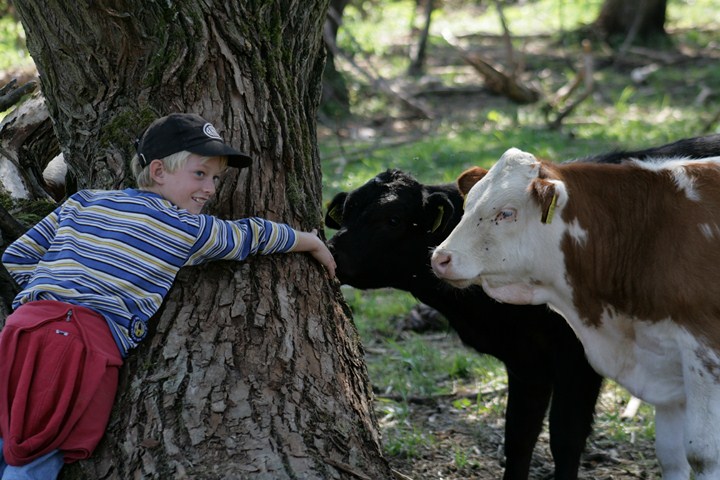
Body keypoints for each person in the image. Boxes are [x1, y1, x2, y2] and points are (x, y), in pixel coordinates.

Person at [0, 112, 336, 479]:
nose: (210, 188)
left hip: (21, 330)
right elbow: (250, 236)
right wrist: (310, 241)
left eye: (215, 178)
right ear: (159, 171)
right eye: (199, 174)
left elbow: (17, 257)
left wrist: (49, 299)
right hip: (80, 345)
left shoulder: (84, 201)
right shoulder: (184, 228)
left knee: (6, 429)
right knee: (38, 451)